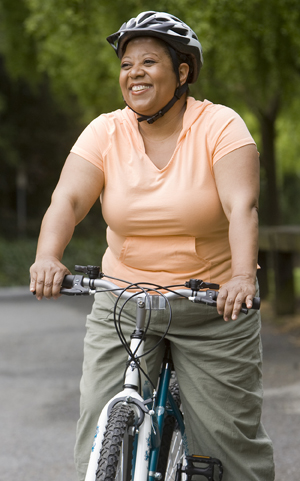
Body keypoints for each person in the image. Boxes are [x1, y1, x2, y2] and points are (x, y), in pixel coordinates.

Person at [29, 11, 275, 481]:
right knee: (97, 430)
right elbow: (69, 199)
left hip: (210, 305)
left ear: (182, 73)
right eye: (126, 64)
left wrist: (243, 277)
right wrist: (47, 256)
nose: (134, 73)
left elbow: (242, 206)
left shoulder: (220, 126)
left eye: (148, 62)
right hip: (123, 301)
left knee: (229, 445)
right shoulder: (105, 131)